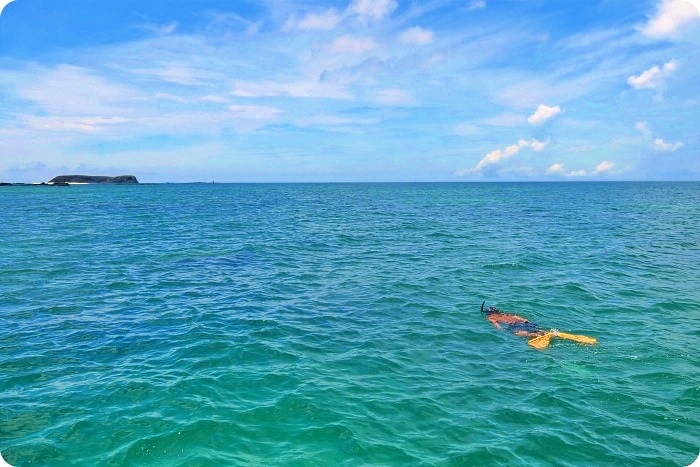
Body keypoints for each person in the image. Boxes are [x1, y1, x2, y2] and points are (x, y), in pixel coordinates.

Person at [481, 301, 545, 338]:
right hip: (525, 323)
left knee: (517, 333)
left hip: (515, 325)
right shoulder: (505, 314)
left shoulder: (491, 317)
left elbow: (496, 324)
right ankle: (545, 332)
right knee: (536, 329)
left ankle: (536, 335)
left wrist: (501, 330)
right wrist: (525, 320)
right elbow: (516, 316)